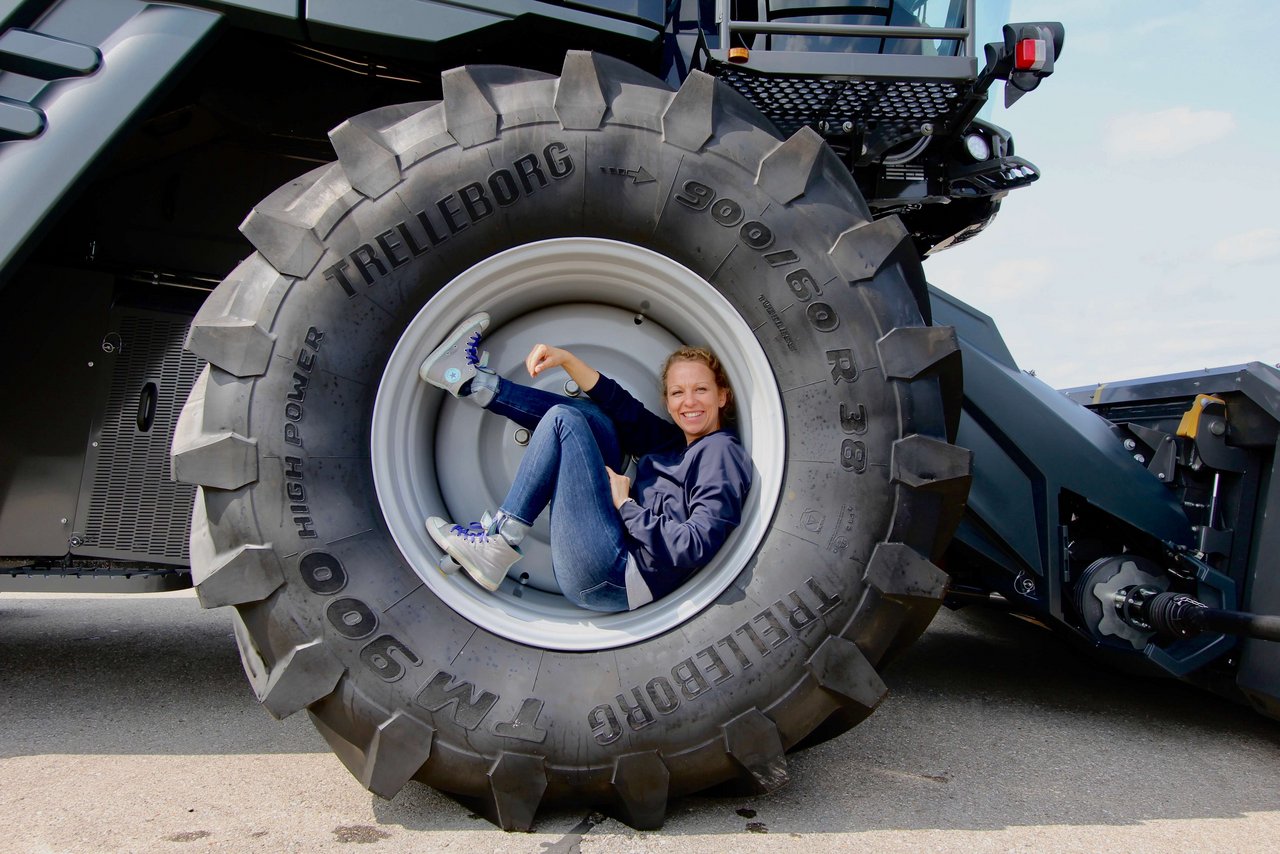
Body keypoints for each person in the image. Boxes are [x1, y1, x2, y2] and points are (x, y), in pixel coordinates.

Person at [418, 312, 752, 612]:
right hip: (614, 547)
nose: (689, 401)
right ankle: (471, 382)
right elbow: (622, 406)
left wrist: (625, 505)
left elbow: (694, 546)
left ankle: (499, 541)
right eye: (678, 393)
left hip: (617, 575)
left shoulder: (720, 452)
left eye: (701, 390)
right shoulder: (672, 443)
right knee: (595, 418)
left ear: (722, 396)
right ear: (667, 401)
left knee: (564, 420)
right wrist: (565, 359)